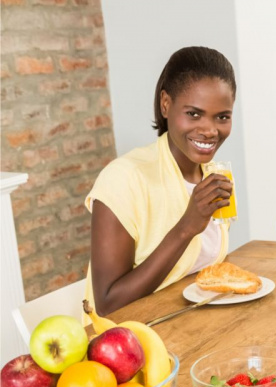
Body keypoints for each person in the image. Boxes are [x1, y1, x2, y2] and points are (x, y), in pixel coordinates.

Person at [85, 46, 237, 316]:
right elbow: (108, 304)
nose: (210, 130)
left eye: (222, 117)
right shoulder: (123, 179)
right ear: (166, 104)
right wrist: (187, 227)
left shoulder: (212, 172)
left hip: (191, 322)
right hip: (131, 342)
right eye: (194, 114)